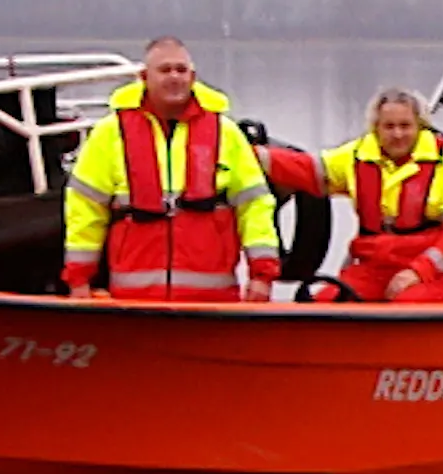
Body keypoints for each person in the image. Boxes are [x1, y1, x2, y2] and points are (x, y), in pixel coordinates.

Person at [62, 36, 280, 301]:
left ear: (193, 76)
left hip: (213, 302)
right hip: (132, 303)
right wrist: (78, 280)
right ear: (144, 76)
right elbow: (84, 210)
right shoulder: (110, 134)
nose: (174, 77)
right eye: (164, 70)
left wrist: (262, 276)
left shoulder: (226, 133)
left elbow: (255, 208)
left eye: (181, 70)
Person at [257, 87, 443, 303]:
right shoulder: (356, 156)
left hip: (436, 273)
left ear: (420, 126)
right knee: (327, 302)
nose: (398, 134)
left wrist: (419, 271)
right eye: (389, 126)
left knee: (408, 304)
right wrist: (253, 155)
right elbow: (307, 169)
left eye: (405, 126)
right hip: (374, 268)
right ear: (376, 128)